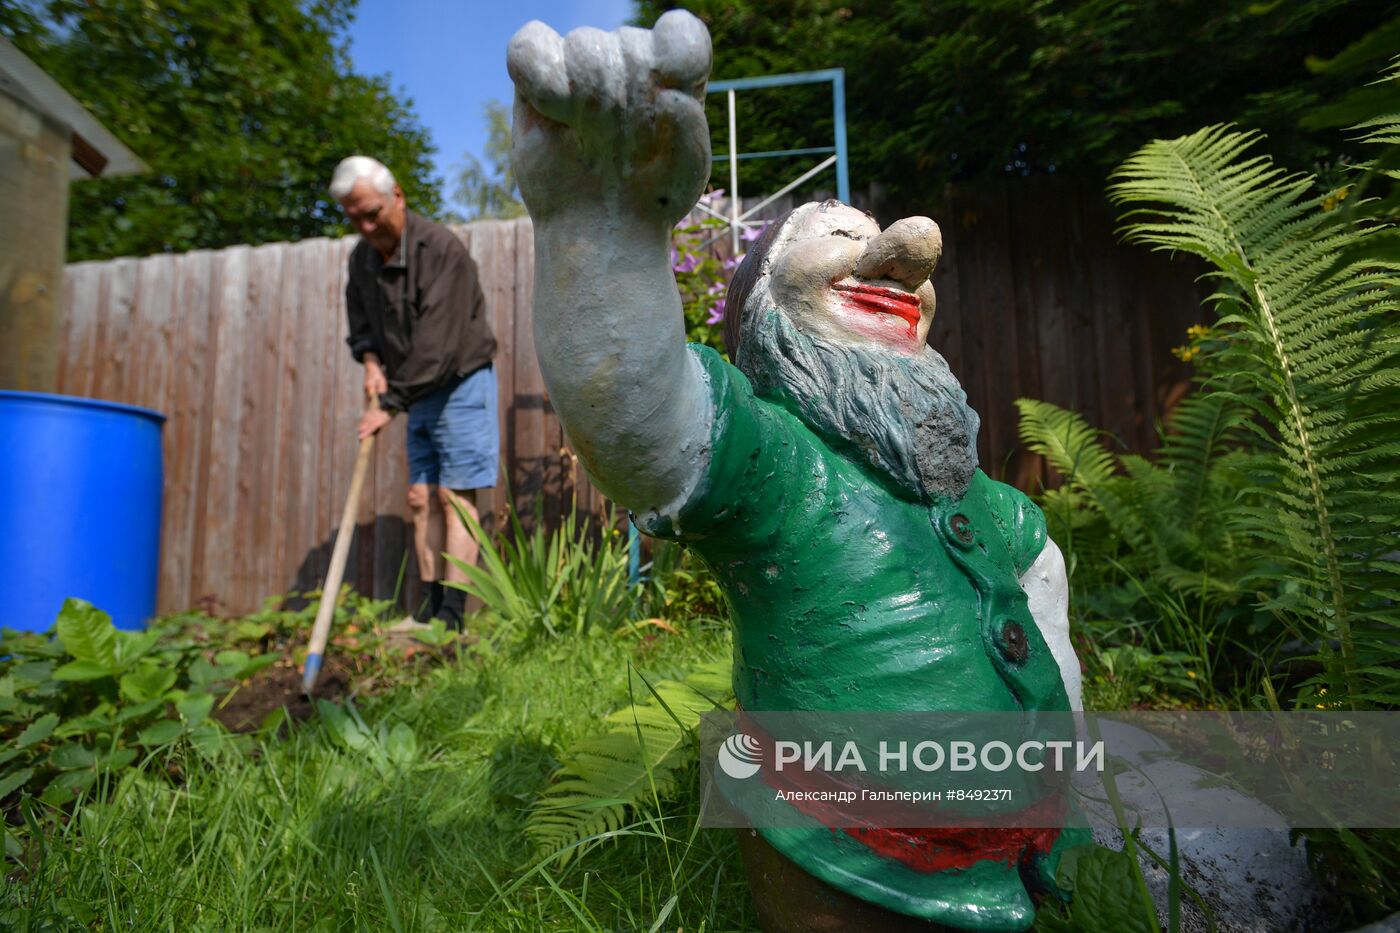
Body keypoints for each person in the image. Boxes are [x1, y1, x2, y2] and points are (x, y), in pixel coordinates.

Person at [508, 13, 1083, 932]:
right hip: (848, 858)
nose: (907, 254)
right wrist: (599, 233)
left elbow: (1034, 586)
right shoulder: (779, 463)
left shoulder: (979, 499)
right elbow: (646, 424)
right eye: (843, 236)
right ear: (765, 305)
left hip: (1021, 849)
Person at [330, 156, 499, 631]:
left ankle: (454, 617)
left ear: (397, 196)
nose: (365, 226)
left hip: (460, 379)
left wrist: (388, 403)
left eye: (371, 213)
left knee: (453, 495)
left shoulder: (441, 250)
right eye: (354, 217)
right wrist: (370, 362)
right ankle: (428, 611)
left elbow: (437, 345)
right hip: (414, 387)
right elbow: (360, 322)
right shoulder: (362, 258)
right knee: (420, 497)